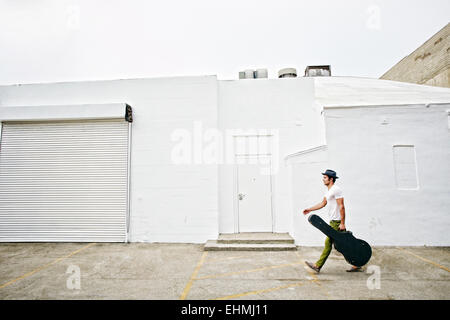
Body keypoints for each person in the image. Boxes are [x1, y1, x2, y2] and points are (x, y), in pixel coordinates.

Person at [302, 169, 362, 273]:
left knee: (328, 243)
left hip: (337, 222)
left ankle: (317, 265)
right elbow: (322, 203)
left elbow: (342, 206)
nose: (323, 179)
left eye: (325, 177)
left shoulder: (336, 189)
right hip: (333, 222)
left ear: (331, 179)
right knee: (345, 244)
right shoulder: (329, 191)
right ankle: (357, 263)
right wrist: (309, 209)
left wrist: (342, 223)